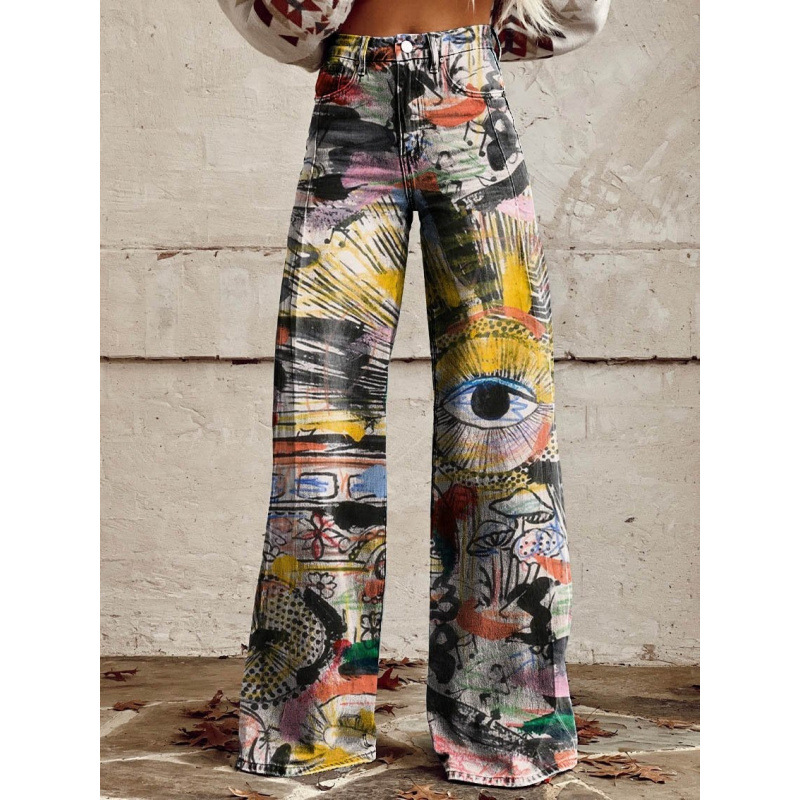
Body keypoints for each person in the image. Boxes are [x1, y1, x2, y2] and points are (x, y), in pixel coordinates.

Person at [216, 0, 610, 789]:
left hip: (469, 98)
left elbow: (576, 11)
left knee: (502, 419)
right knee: (320, 424)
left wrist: (479, 40)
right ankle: (308, 725)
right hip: (351, 105)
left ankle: (506, 721)